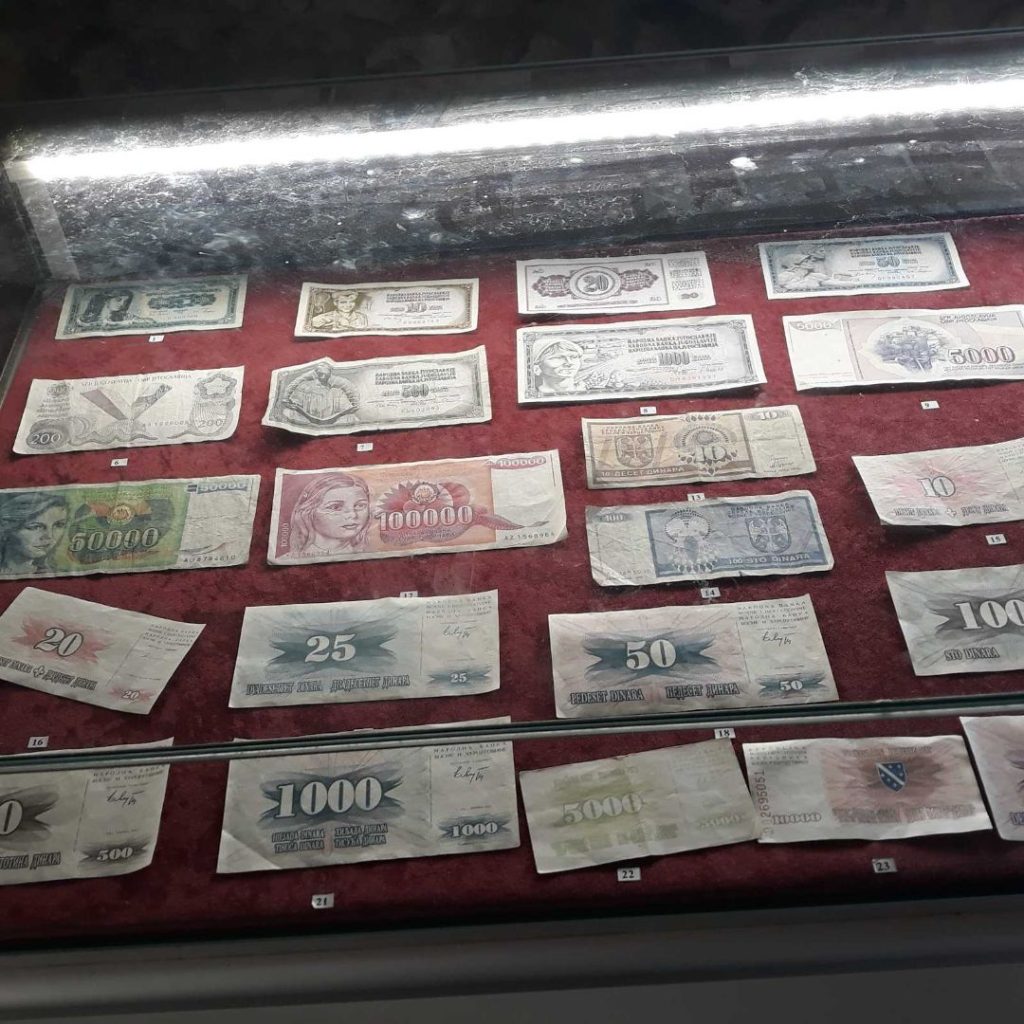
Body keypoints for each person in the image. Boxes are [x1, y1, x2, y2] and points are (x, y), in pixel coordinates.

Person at [288, 474, 371, 556]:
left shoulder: (366, 552)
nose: (353, 515)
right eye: (335, 507)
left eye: (360, 505)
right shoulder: (293, 557)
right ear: (308, 512)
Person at [0, 492, 70, 575]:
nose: (49, 536)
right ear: (7, 528)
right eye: (35, 527)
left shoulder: (56, 573)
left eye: (59, 525)